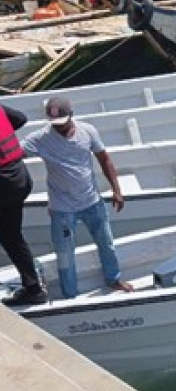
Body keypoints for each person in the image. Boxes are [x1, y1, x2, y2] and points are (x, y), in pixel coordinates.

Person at [22, 97, 134, 299]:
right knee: (65, 254)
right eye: (54, 122)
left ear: (71, 115)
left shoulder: (88, 131)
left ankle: (113, 279)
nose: (58, 126)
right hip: (62, 207)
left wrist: (116, 190)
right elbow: (13, 153)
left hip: (92, 201)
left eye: (62, 121)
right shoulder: (39, 138)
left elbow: (104, 160)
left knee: (106, 243)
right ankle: (70, 295)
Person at [0, 104, 47, 306]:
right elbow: (20, 117)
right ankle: (32, 286)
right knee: (12, 237)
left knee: (10, 237)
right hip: (19, 177)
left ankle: (33, 288)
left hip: (4, 184)